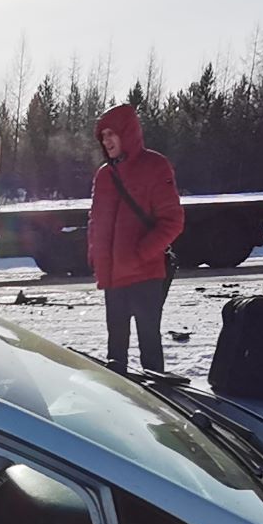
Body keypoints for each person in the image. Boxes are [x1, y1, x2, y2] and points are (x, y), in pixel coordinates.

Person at [87, 102, 184, 373]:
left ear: (127, 133)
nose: (106, 141)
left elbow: (173, 221)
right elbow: (96, 220)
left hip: (145, 275)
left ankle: (158, 403)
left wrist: (141, 254)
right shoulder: (105, 175)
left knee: (149, 346)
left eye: (111, 134)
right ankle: (119, 404)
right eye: (102, 136)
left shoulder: (155, 166)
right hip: (113, 276)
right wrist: (95, 253)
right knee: (115, 352)